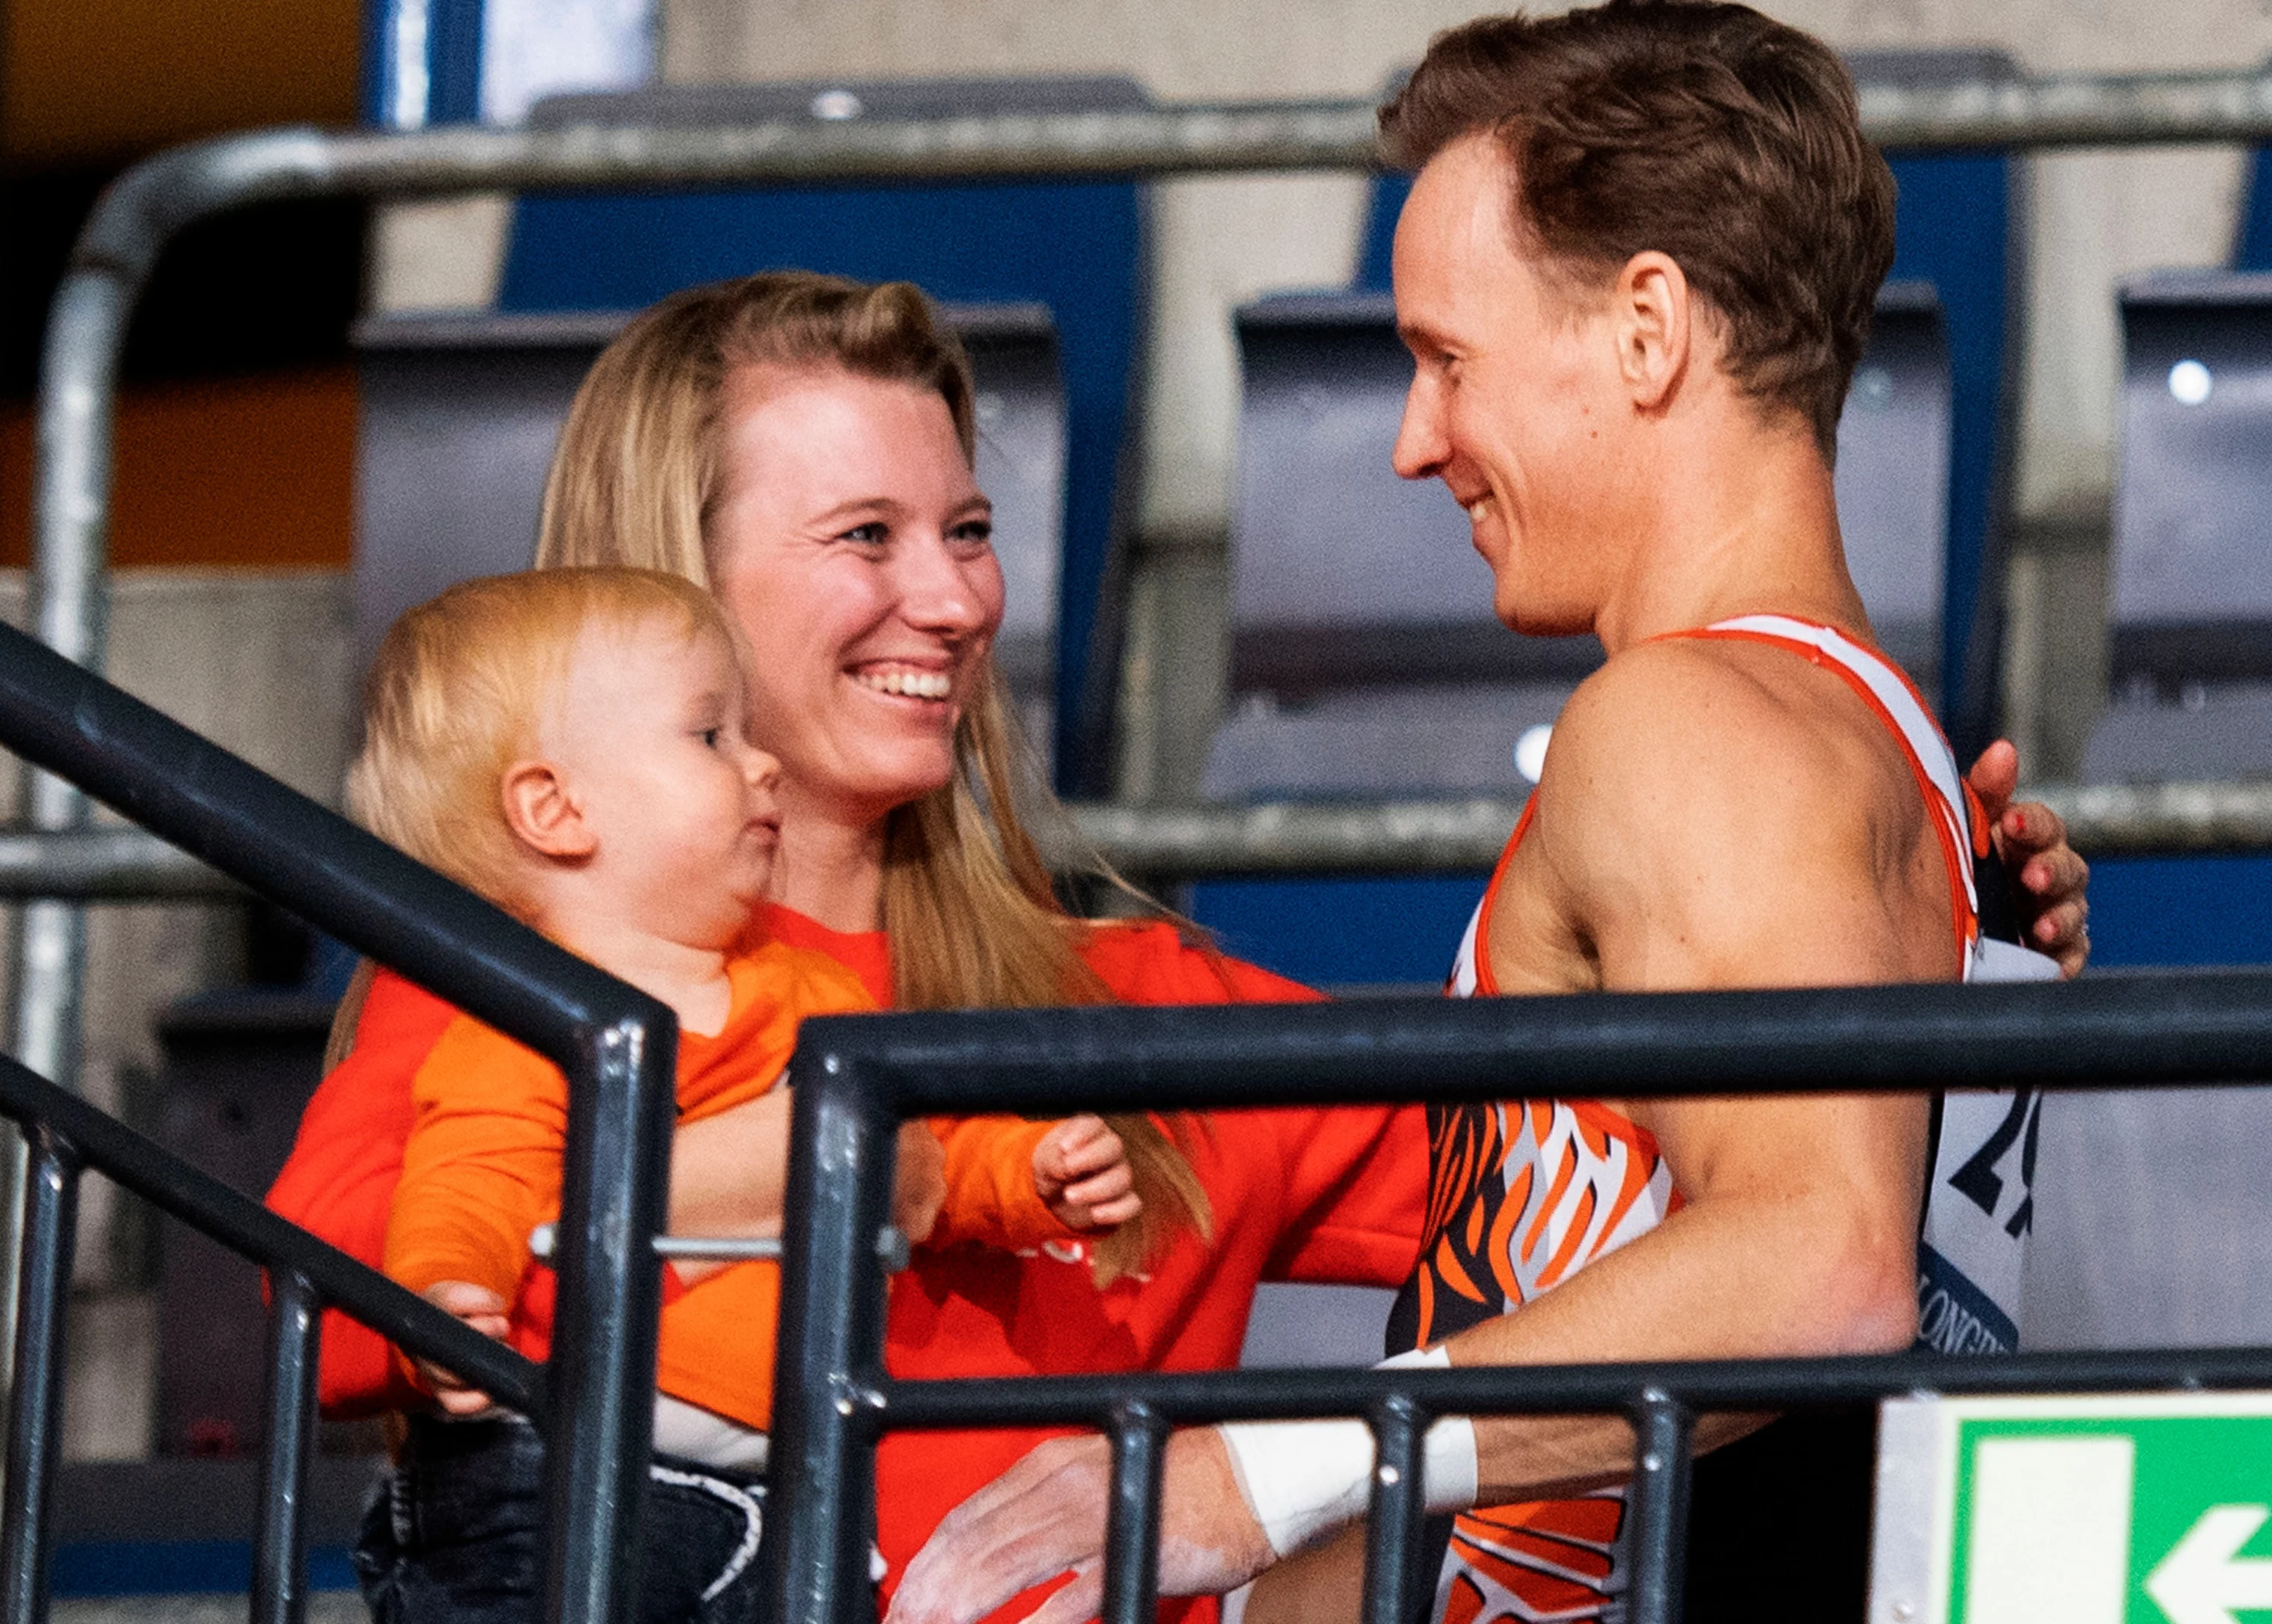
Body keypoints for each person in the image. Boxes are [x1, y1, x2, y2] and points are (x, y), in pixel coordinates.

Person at [268, 265, 2090, 1619]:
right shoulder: (504, 1001)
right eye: (866, 536)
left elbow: (1642, 1191)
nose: (952, 598)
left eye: (970, 529)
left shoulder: (1137, 1006)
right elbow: (346, 1324)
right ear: (672, 585)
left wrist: (1896, 945)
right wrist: (839, 1166)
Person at [885, 8, 2079, 1624]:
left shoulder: (1691, 723)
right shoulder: (1884, 750)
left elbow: (1824, 1265)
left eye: (1449, 359)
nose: (1412, 440)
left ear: (1648, 329)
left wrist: (1255, 1478)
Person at [341, 566, 1160, 1622]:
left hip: (791, 1490)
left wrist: (1030, 1177)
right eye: (710, 737)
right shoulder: (529, 1020)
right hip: (563, 1474)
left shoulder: (808, 993)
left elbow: (924, 1157)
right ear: (555, 808)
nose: (763, 763)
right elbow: (471, 1182)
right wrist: (444, 1294)